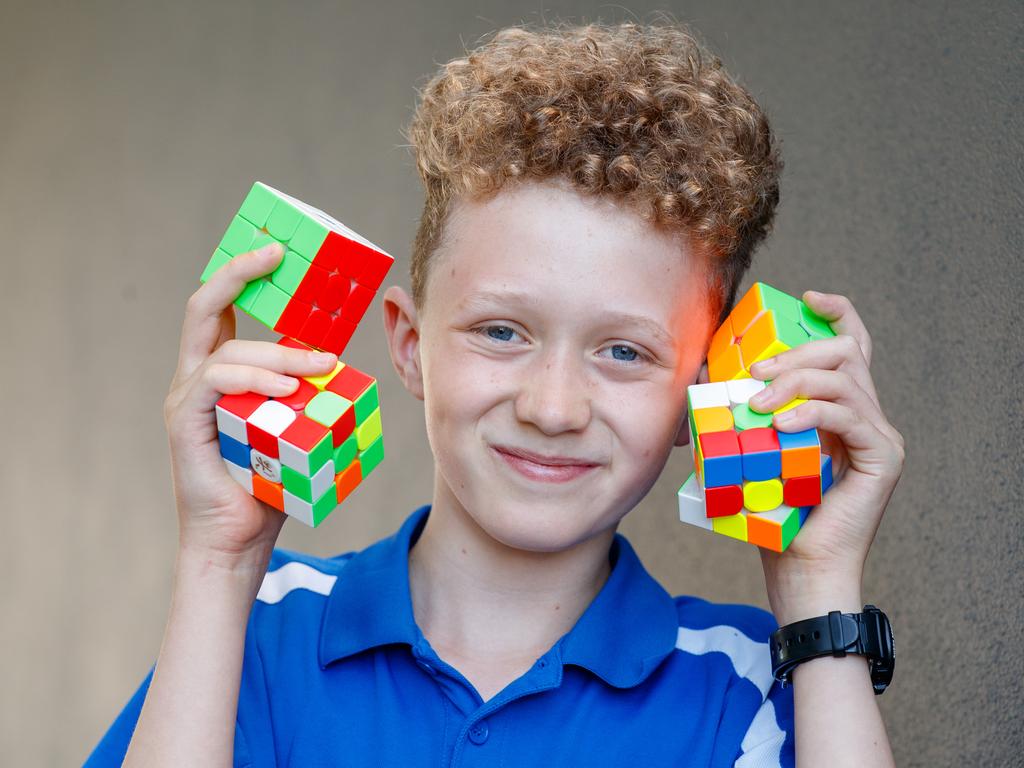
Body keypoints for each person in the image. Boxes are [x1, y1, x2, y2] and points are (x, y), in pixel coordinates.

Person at [85, 22, 904, 768]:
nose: (553, 408)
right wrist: (219, 562)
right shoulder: (259, 628)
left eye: (624, 351)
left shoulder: (752, 684)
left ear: (705, 389)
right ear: (409, 346)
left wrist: (819, 587)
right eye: (502, 332)